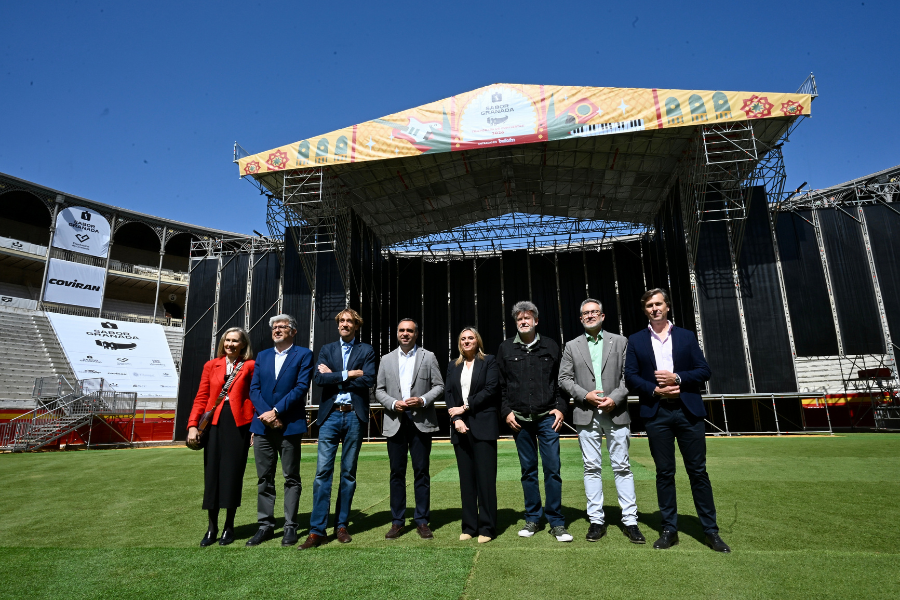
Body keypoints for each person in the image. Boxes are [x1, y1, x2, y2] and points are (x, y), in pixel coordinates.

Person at [623, 288, 731, 553]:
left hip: (687, 411)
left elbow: (704, 370)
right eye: (649, 305)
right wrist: (654, 390)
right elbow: (631, 376)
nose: (654, 308)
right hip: (656, 413)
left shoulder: (686, 336)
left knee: (698, 472)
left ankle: (711, 532)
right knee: (664, 473)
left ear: (667, 306)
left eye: (658, 304)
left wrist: (678, 379)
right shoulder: (636, 340)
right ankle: (669, 529)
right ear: (645, 310)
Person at [559, 299, 645, 544]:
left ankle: (630, 521)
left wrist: (615, 398)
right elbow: (564, 379)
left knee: (622, 467)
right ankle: (596, 520)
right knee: (591, 467)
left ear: (603, 315)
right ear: (580, 318)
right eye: (585, 313)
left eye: (594, 312)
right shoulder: (571, 346)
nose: (590, 316)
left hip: (615, 411)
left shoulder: (620, 341)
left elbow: (628, 376)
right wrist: (584, 395)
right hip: (586, 412)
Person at [299, 308, 376, 550]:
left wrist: (335, 375)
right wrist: (349, 373)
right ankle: (317, 530)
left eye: (349, 321)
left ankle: (341, 525)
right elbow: (319, 380)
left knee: (348, 473)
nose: (344, 324)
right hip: (330, 416)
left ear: (356, 325)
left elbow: (368, 379)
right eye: (341, 321)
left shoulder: (367, 350)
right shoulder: (326, 349)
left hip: (354, 416)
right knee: (322, 473)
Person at [496, 300, 571, 542]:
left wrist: (561, 408)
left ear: (536, 321)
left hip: (547, 419)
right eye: (519, 319)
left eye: (528, 318)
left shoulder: (551, 346)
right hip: (519, 421)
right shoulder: (505, 349)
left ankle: (556, 521)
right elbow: (501, 386)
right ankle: (532, 518)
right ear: (515, 323)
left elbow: (562, 381)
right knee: (528, 472)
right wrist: (506, 411)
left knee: (552, 470)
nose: (524, 321)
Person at [245, 314, 314, 547]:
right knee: (264, 478)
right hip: (262, 427)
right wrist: (266, 415)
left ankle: (290, 527)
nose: (277, 330)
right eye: (274, 327)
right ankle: (265, 526)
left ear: (293, 331)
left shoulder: (303, 354)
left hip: (289, 426)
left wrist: (276, 411)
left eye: (282, 326)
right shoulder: (263, 356)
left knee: (291, 478)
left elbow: (301, 387)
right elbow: (254, 389)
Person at [375, 318, 445, 540]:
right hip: (395, 421)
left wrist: (423, 400)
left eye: (409, 331)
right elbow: (378, 390)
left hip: (421, 422)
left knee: (421, 472)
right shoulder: (386, 359)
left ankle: (422, 520)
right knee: (397, 473)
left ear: (416, 334)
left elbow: (439, 386)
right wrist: (393, 403)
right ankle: (397, 521)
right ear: (397, 333)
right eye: (402, 330)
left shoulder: (429, 356)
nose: (405, 334)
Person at [187, 327, 255, 547]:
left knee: (233, 475)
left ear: (243, 345)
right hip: (213, 424)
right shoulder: (211, 365)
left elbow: (254, 397)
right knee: (212, 475)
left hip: (239, 425)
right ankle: (211, 527)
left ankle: (229, 526)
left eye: (235, 341)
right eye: (227, 340)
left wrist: (254, 428)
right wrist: (192, 426)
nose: (230, 344)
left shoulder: (250, 366)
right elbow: (201, 397)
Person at [445, 327, 500, 543]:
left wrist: (465, 408)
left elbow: (491, 389)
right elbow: (449, 393)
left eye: (471, 338)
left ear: (478, 341)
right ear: (459, 343)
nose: (467, 341)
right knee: (466, 481)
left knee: (485, 480)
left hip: (483, 427)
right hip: (460, 428)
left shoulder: (490, 361)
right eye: (463, 339)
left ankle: (487, 528)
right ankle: (469, 526)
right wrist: (456, 419)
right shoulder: (453, 365)